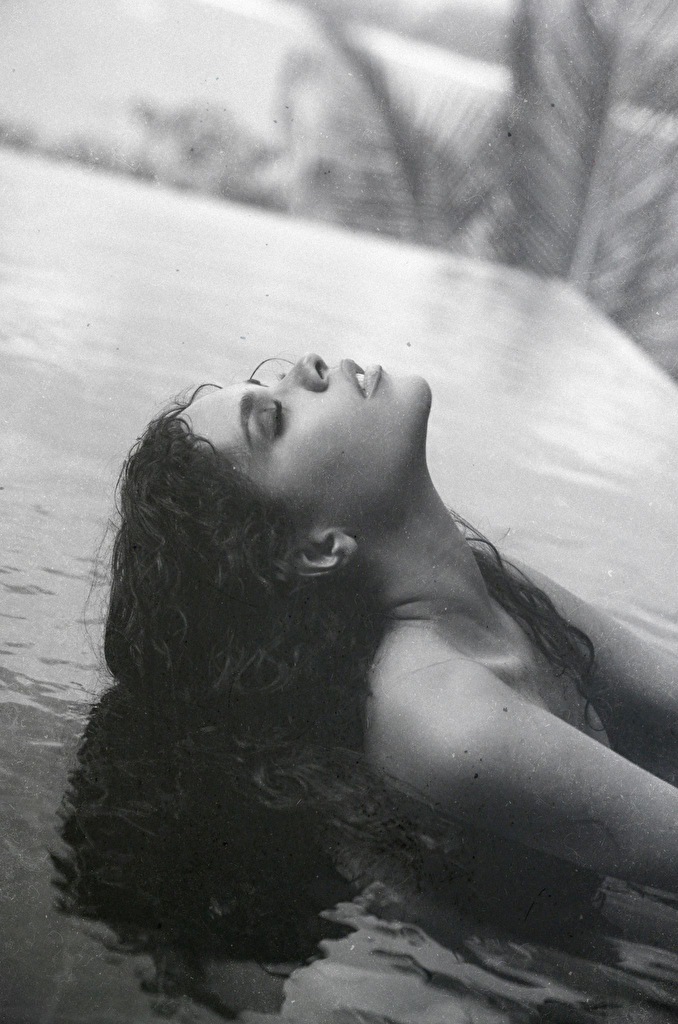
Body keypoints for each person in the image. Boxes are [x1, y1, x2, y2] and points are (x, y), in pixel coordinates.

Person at [55, 353, 678, 965]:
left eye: (268, 382)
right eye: (274, 419)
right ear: (321, 550)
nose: (306, 366)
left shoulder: (480, 579)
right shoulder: (448, 719)